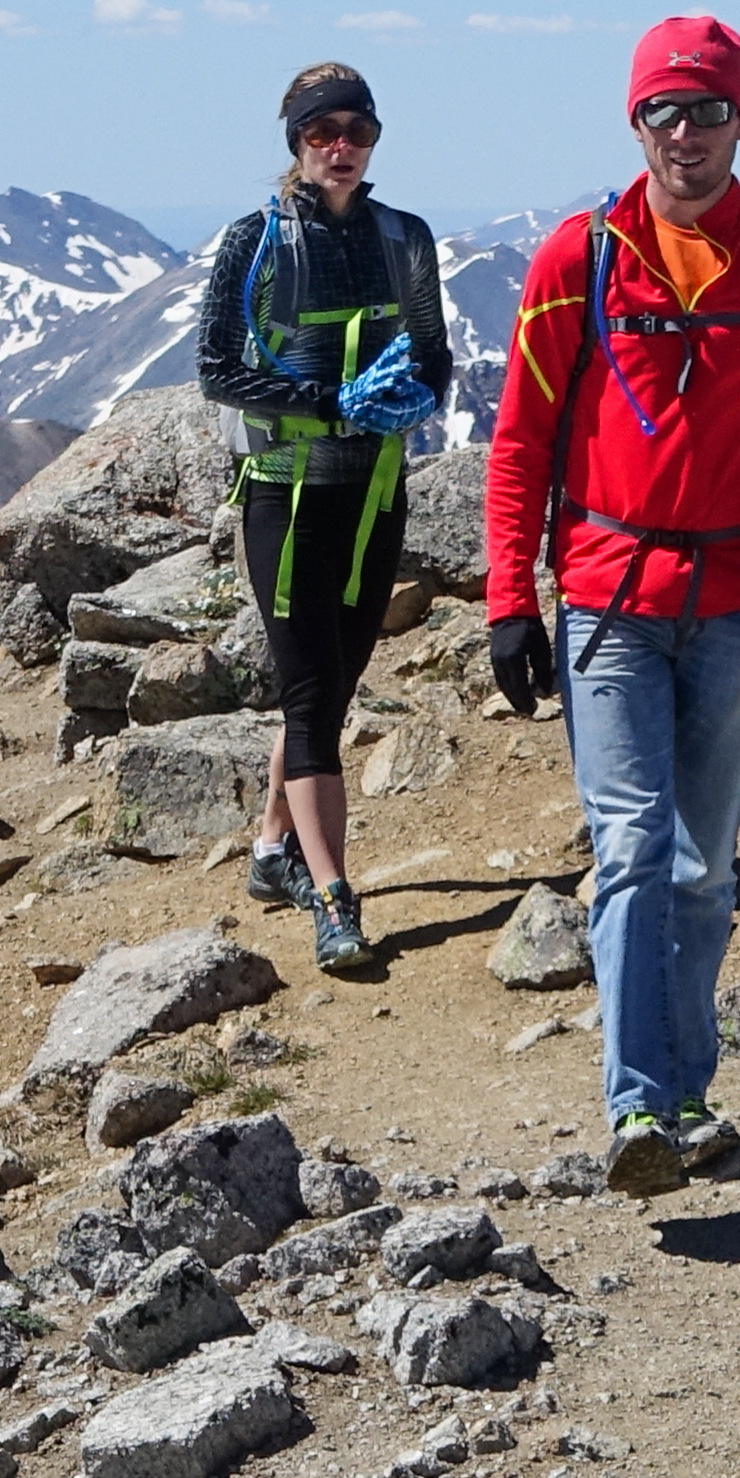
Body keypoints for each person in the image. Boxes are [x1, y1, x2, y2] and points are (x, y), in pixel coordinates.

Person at [483, 14, 740, 1195]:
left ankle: (690, 1095)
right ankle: (638, 1108)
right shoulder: (573, 262)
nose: (685, 132)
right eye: (664, 109)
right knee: (636, 848)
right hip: (607, 597)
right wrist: (508, 597)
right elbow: (519, 441)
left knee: (704, 867)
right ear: (632, 120)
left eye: (706, 110)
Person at [194, 58, 457, 978]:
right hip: (285, 492)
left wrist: (408, 399)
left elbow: (435, 357)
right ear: (296, 143)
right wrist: (326, 401)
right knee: (309, 697)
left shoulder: (406, 239)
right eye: (321, 133)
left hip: (375, 490)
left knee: (334, 684)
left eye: (357, 130)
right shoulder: (253, 243)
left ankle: (272, 849)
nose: (340, 147)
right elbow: (217, 369)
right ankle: (334, 896)